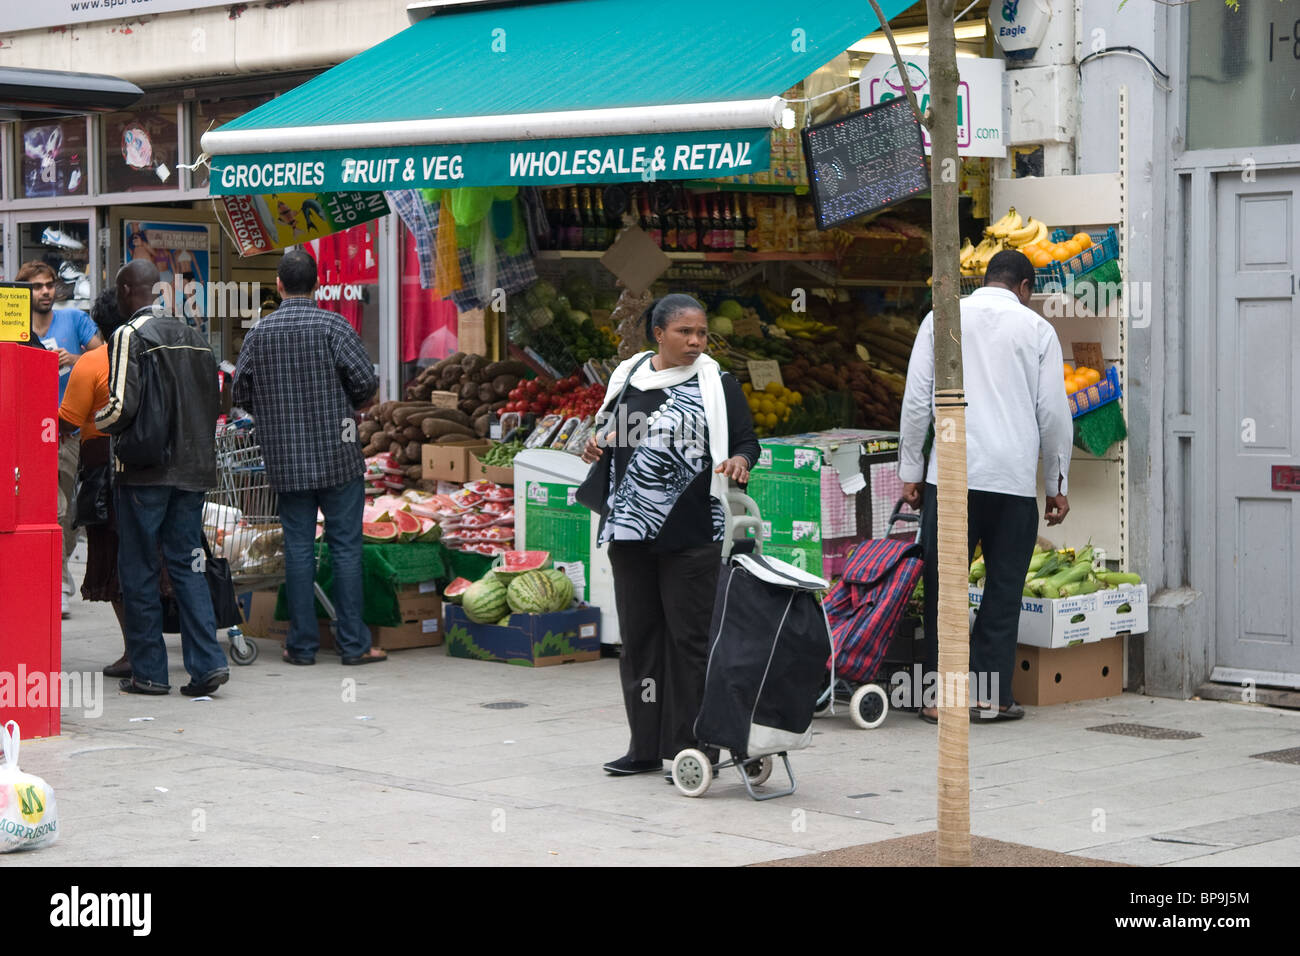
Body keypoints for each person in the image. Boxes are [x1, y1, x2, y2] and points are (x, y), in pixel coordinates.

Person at [581, 294, 759, 776]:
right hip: (630, 531)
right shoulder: (628, 376)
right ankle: (643, 746)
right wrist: (594, 444)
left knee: (690, 641)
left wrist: (740, 461)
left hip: (694, 531)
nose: (697, 341)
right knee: (639, 639)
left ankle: (693, 747)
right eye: (686, 332)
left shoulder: (718, 383)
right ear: (658, 333)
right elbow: (605, 430)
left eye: (702, 332)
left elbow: (746, 440)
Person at [898, 250, 1073, 723]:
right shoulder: (1038, 330)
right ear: (1024, 287)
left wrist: (911, 471)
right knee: (1003, 589)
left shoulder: (942, 317)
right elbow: (1054, 412)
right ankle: (991, 696)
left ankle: (940, 698)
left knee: (945, 588)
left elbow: (917, 401)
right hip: (1013, 479)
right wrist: (1057, 483)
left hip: (952, 475)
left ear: (986, 280)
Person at [232, 250, 381, 666]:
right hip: (338, 458)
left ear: (279, 285)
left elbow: (239, 393)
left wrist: (271, 410)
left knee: (298, 550)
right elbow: (365, 383)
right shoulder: (334, 325)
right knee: (346, 548)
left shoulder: (260, 333)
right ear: (317, 285)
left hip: (286, 460)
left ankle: (301, 647)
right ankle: (354, 646)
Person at [94, 259, 228, 697]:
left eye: (117, 289)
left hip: (144, 472)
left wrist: (99, 421)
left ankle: (150, 673)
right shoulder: (194, 337)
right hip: (192, 471)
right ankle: (207, 665)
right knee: (189, 567)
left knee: (139, 570)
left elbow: (120, 406)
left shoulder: (129, 335)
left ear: (129, 289)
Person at [17, 260, 103, 618]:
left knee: (63, 511)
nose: (46, 291)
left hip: (65, 429)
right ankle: (53, 583)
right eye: (37, 286)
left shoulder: (74, 320)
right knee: (39, 510)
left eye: (50, 284)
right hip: (24, 430)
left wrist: (77, 358)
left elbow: (105, 356)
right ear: (24, 291)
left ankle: (56, 577)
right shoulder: (14, 326)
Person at [59, 289, 132, 677]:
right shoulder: (148, 355)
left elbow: (67, 421)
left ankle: (134, 651)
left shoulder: (91, 363)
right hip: (154, 465)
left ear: (98, 326)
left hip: (103, 466)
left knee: (114, 556)